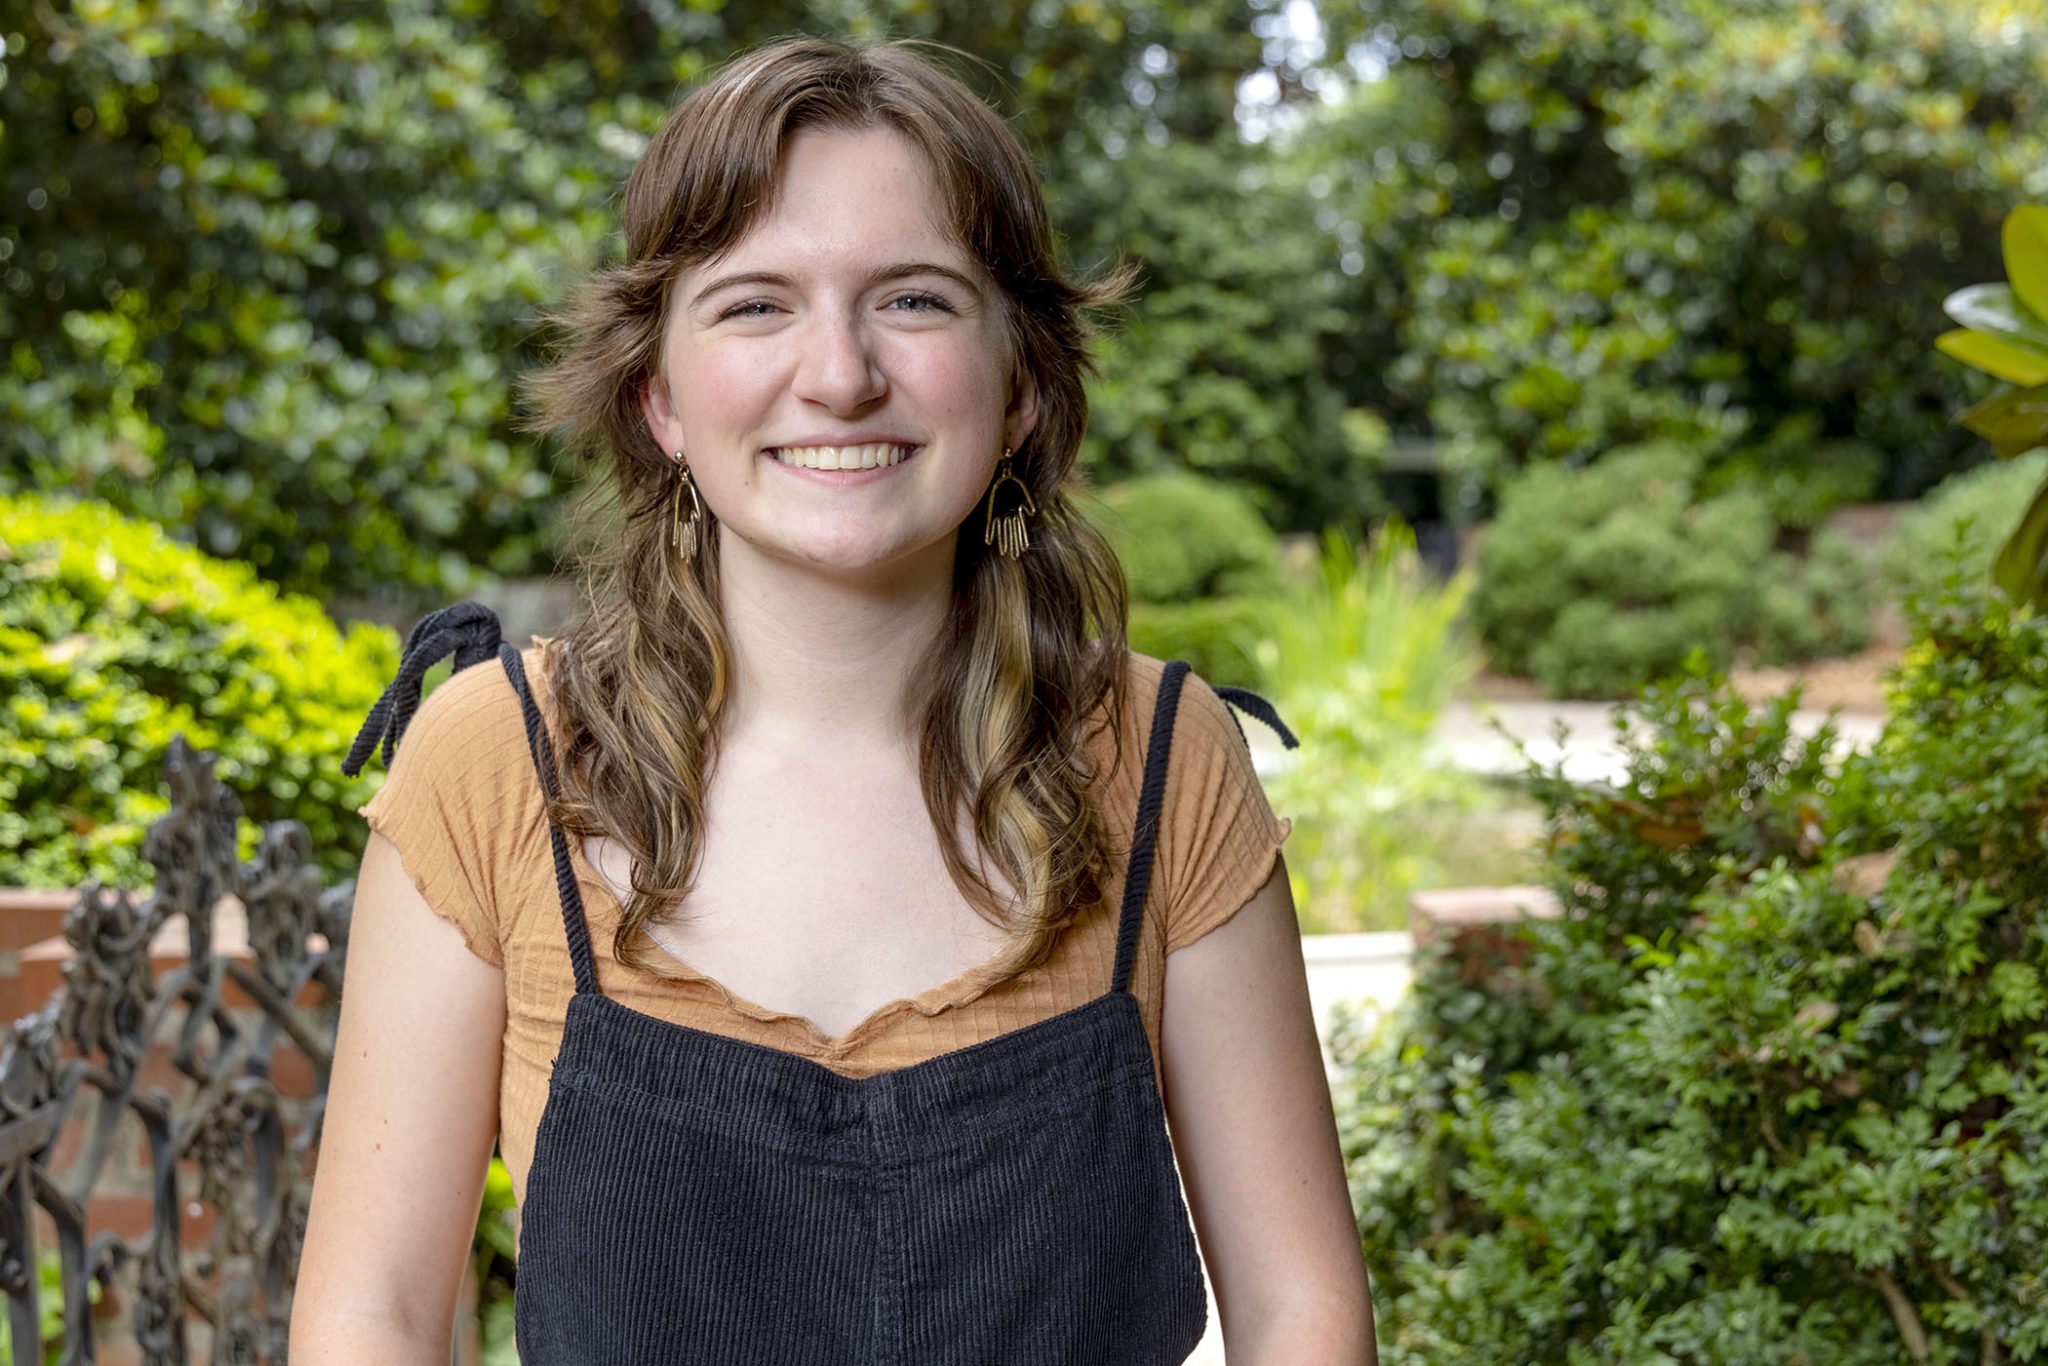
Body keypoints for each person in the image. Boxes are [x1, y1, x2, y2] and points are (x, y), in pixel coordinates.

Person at [290, 34, 1376, 1365]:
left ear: (1023, 383)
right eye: (755, 305)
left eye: (915, 300)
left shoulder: (1164, 762)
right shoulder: (494, 761)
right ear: (660, 396)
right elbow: (374, 1319)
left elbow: (1300, 1317)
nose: (840, 373)